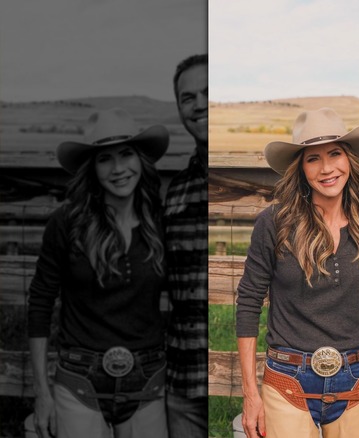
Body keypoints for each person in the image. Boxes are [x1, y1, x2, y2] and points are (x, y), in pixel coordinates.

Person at [236, 108, 359, 438]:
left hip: (357, 379)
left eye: (335, 154)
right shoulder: (275, 223)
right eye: (313, 158)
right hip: (288, 380)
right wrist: (250, 394)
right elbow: (247, 304)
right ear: (300, 168)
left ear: (350, 160)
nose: (327, 168)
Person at [28, 107, 170, 438]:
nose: (118, 169)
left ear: (140, 160)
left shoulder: (160, 222)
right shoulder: (67, 223)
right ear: (92, 168)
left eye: (126, 154)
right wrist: (41, 393)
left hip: (148, 379)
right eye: (105, 159)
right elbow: (40, 303)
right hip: (79, 381)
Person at [163, 53, 209, 437]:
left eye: (209, 92)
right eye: (188, 97)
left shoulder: (259, 185)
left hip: (252, 377)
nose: (200, 105)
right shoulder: (176, 191)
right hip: (183, 378)